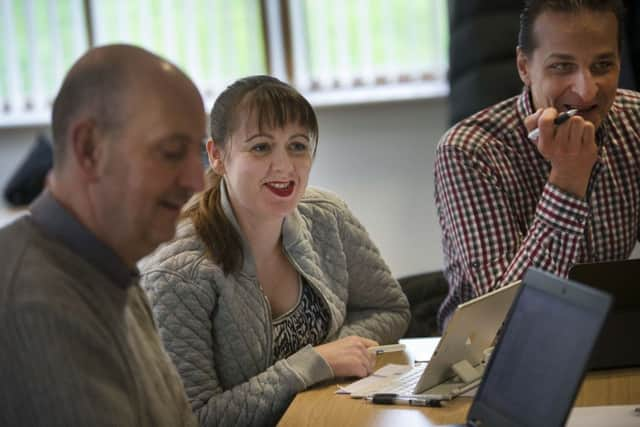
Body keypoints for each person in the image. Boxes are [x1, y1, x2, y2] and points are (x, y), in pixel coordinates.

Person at [140, 75, 410, 426]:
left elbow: (389, 307)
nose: (284, 166)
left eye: (297, 145)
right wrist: (316, 363)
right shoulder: (177, 273)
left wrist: (337, 356)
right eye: (261, 147)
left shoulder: (328, 215)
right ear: (217, 156)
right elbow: (197, 418)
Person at [0, 44, 206, 426]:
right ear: (90, 149)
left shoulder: (109, 265)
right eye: (172, 152)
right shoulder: (37, 303)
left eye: (198, 154)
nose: (197, 181)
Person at [435, 0, 640, 330]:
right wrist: (568, 178)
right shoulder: (469, 151)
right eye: (562, 67)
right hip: (486, 359)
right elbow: (505, 322)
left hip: (606, 339)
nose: (586, 91)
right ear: (524, 67)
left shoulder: (635, 123)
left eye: (602, 65)